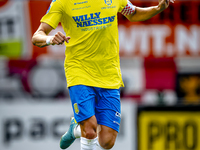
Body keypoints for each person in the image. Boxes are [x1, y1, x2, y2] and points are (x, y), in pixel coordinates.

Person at [32, 0, 175, 149]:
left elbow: (133, 13)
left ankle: (75, 129)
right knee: (89, 129)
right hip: (79, 71)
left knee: (107, 141)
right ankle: (82, 127)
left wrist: (158, 8)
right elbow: (37, 36)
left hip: (108, 74)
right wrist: (50, 39)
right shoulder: (62, 2)